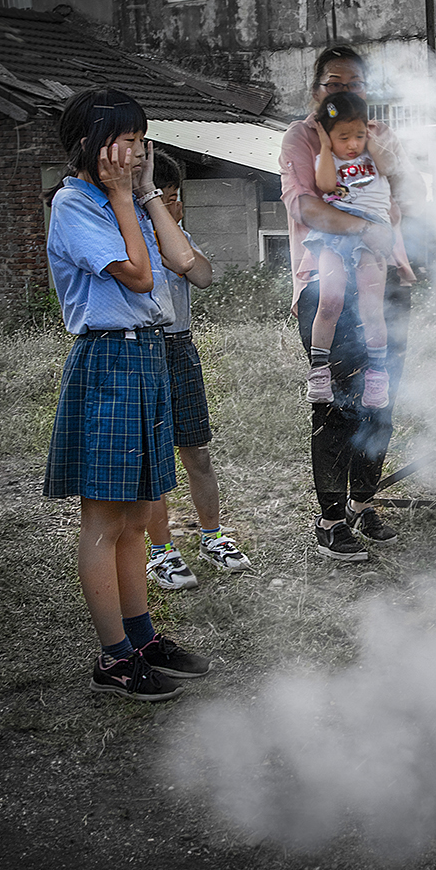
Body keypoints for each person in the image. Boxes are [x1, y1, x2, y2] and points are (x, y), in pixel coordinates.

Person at [43, 88, 210, 701]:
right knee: (105, 519)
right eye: (128, 140)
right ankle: (114, 657)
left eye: (142, 139)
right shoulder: (75, 204)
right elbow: (140, 276)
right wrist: (119, 196)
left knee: (139, 514)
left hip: (148, 353)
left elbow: (181, 261)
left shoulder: (125, 200)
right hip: (110, 357)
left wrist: (141, 196)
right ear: (91, 143)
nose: (138, 150)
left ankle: (140, 638)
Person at [280, 46, 420, 561]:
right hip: (327, 284)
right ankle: (331, 519)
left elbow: (414, 196)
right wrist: (367, 229)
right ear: (316, 91)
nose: (343, 90)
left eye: (354, 83)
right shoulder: (302, 137)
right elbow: (309, 207)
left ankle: (363, 501)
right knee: (336, 409)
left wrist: (393, 170)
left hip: (385, 282)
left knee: (380, 402)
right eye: (332, 82)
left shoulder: (379, 134)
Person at [142, 150, 253, 591]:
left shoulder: (179, 237)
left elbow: (203, 276)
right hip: (145, 350)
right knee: (153, 463)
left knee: (197, 452)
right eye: (161, 198)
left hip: (180, 348)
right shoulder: (132, 238)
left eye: (175, 197)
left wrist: (178, 249)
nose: (173, 206)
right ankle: (161, 551)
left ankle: (212, 537)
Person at [302, 91, 415, 406]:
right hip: (335, 233)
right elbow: (325, 185)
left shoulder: (372, 157)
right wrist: (325, 145)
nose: (352, 144)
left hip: (372, 236)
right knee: (330, 301)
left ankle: (377, 375)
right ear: (327, 135)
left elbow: (390, 166)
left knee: (370, 307)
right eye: (343, 137)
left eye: (358, 135)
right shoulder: (325, 158)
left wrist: (372, 138)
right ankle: (319, 371)